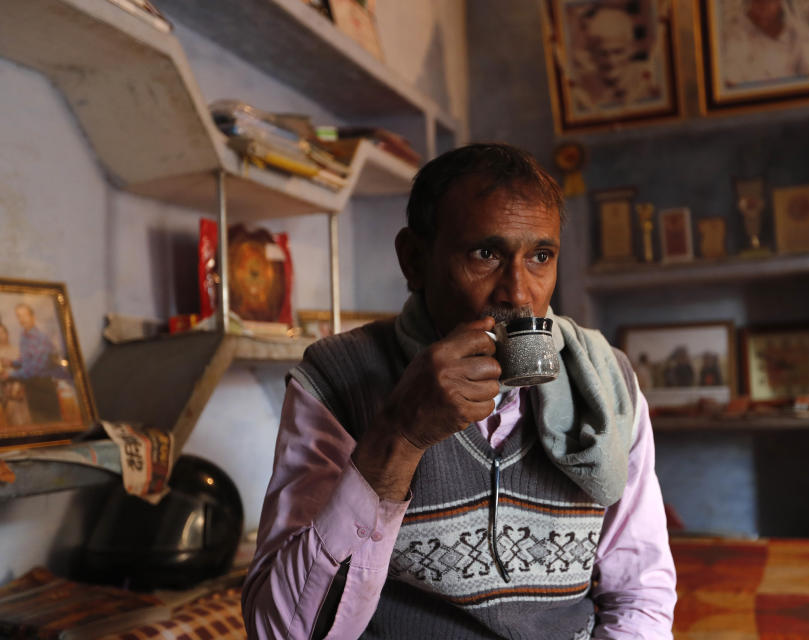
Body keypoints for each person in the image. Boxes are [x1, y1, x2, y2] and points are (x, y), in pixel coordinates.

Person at [242, 144, 676, 639]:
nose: (518, 292)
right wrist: (400, 437)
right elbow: (281, 633)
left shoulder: (604, 381)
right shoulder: (338, 378)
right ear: (414, 260)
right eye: (485, 254)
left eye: (540, 256)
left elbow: (640, 592)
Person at [568, 3, 663, 115]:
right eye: (603, 53)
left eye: (618, 52)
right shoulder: (582, 87)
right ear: (591, 55)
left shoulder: (651, 78)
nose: (611, 61)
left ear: (631, 49)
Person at [720, 0, 809, 89]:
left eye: (770, 1)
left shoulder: (799, 33)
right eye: (758, 1)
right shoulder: (733, 34)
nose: (764, 7)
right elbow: (731, 83)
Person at [0, 304, 69, 423]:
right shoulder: (24, 336)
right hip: (31, 389)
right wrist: (12, 362)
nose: (22, 319)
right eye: (19, 316)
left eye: (25, 315)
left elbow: (34, 368)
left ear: (33, 317)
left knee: (51, 426)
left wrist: (10, 375)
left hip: (44, 388)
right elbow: (26, 360)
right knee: (37, 424)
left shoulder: (40, 338)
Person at [0, 323, 31, 426]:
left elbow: (26, 368)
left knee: (25, 419)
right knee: (11, 421)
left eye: (2, 332)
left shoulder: (17, 350)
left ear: (7, 333)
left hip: (20, 389)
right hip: (5, 392)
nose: (1, 336)